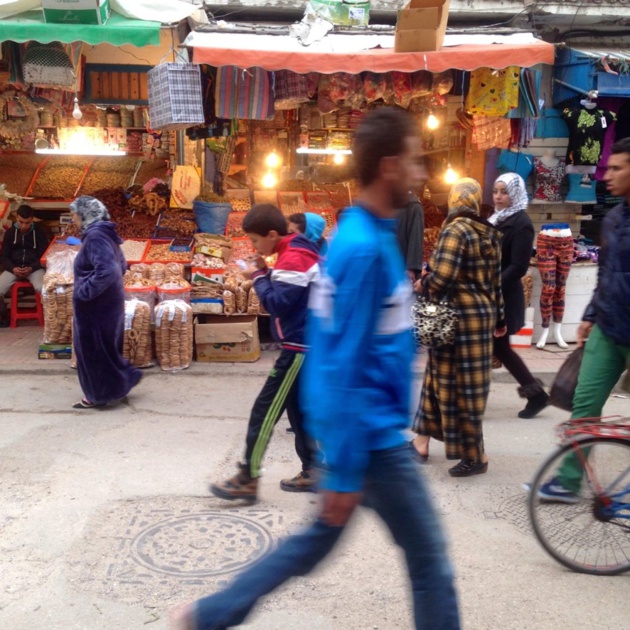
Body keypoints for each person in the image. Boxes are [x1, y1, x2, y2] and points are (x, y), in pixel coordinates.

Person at [171, 108, 461, 630]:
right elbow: (342, 360)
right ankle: (207, 615)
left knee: (315, 545)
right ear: (391, 166)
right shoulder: (364, 249)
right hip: (372, 440)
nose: (421, 174)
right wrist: (346, 466)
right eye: (416, 162)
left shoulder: (359, 233)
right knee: (431, 565)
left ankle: (209, 616)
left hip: (368, 433)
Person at [537, 137, 630, 502]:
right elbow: (605, 273)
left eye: (618, 169)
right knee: (585, 406)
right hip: (608, 329)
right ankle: (568, 481)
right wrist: (590, 315)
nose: (608, 175)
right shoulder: (614, 218)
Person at [210, 204, 319, 501]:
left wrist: (259, 275)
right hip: (307, 344)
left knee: (265, 411)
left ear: (272, 234)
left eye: (256, 241)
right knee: (299, 412)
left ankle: (248, 477)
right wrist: (267, 271)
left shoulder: (293, 257)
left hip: (299, 347)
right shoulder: (295, 249)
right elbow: (290, 296)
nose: (254, 247)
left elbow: (277, 304)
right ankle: (316, 469)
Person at [411, 178, 506, 477]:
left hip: (455, 320)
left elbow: (442, 277)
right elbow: (495, 283)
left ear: (454, 200)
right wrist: (500, 319)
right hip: (481, 318)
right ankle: (420, 442)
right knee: (437, 380)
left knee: (461, 388)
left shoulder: (455, 229)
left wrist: (422, 283)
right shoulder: (488, 233)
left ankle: (477, 455)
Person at [71, 196, 142, 409]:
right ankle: (121, 382)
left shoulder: (95, 237)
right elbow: (120, 265)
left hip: (95, 306)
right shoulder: (105, 234)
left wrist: (84, 291)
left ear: (85, 215)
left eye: (75, 214)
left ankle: (96, 395)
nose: (73, 219)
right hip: (107, 302)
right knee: (106, 348)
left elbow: (109, 270)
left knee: (92, 350)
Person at [489, 173, 550, 419]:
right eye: (495, 191)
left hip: (504, 295)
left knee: (499, 347)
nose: (499, 196)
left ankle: (536, 395)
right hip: (492, 294)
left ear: (514, 194)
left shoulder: (521, 223)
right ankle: (536, 395)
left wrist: (492, 283)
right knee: (499, 348)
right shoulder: (496, 218)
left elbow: (519, 266)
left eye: (504, 192)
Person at [0, 204, 49, 327]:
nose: (23, 226)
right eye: (21, 222)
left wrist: (32, 268)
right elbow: (4, 257)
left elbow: (44, 256)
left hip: (34, 269)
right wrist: (13, 268)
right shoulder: (10, 233)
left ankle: (50, 320)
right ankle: (4, 319)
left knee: (44, 289)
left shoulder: (39, 232)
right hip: (13, 269)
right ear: (16, 218)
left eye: (27, 223)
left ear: (32, 219)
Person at [397, 190, 425, 282]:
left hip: (404, 268)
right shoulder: (387, 204)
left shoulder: (413, 206)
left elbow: (416, 237)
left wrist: (411, 268)